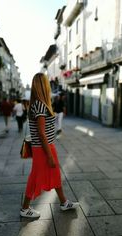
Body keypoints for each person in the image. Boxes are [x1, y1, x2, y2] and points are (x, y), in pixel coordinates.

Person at [20, 73, 78, 218]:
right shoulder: (40, 105)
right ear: (43, 85)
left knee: (55, 174)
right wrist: (50, 155)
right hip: (43, 148)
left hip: (43, 146)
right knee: (35, 176)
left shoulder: (38, 103)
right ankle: (25, 208)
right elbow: (41, 133)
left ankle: (64, 202)